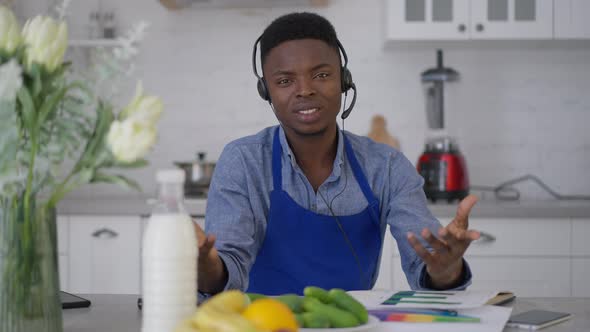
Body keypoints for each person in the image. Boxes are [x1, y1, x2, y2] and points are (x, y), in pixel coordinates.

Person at [195, 12, 480, 296]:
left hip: (354, 324)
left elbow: (427, 259)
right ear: (265, 91)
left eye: (321, 75)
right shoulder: (243, 162)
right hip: (264, 324)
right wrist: (205, 267)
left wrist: (445, 271)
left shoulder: (387, 166)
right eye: (284, 81)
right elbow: (223, 272)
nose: (305, 90)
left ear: (344, 80)